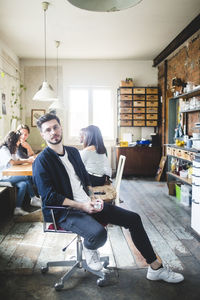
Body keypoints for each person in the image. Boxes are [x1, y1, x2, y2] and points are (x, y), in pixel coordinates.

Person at [33, 113, 184, 283]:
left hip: (88, 204)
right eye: (48, 130)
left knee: (133, 219)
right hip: (65, 212)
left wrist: (91, 197)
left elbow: (85, 178)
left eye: (55, 127)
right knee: (98, 235)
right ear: (43, 134)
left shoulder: (73, 152)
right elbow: (49, 197)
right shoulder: (42, 161)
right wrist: (81, 206)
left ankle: (156, 267)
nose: (53, 132)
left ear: (61, 128)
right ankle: (90, 248)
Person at [0, 131, 41, 216]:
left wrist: (29, 160)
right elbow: (12, 162)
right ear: (13, 140)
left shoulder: (12, 149)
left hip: (10, 176)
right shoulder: (4, 149)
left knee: (23, 184)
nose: (19, 142)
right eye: (18, 140)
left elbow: (17, 160)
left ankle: (17, 209)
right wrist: (27, 160)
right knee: (26, 176)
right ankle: (34, 198)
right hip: (3, 177)